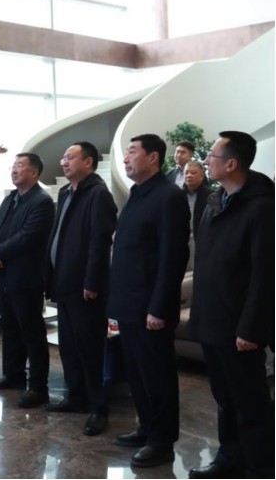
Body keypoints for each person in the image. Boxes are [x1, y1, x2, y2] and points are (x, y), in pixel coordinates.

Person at [187, 131, 275, 479]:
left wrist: (251, 328)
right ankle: (229, 458)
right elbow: (205, 265)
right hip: (213, 319)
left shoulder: (262, 207)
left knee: (250, 401)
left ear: (232, 163)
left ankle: (260, 467)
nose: (206, 160)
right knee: (224, 397)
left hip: (240, 326)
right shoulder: (215, 201)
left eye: (212, 155)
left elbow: (264, 275)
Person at [108, 134, 190, 468]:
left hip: (150, 308)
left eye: (132, 152)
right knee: (137, 374)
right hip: (129, 304)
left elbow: (173, 257)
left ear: (153, 157)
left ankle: (162, 441)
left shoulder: (169, 196)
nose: (126, 158)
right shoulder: (138, 193)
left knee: (157, 376)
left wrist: (158, 307)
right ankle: (146, 427)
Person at [46, 142, 117, 436]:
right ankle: (75, 397)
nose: (64, 162)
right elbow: (58, 236)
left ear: (88, 162)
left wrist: (92, 281)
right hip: (63, 283)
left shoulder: (98, 194)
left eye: (70, 157)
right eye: (64, 157)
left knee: (90, 349)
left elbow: (99, 243)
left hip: (84, 287)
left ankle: (99, 408)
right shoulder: (66, 192)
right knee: (69, 346)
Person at [0, 153, 55, 408]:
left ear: (34, 172)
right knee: (10, 328)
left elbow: (27, 237)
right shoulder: (10, 198)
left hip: (27, 277)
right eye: (13, 166)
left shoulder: (42, 201)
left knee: (32, 333)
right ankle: (13, 375)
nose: (14, 170)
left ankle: (38, 388)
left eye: (20, 166)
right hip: (5, 274)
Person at [182, 160, 212, 239]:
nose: (189, 175)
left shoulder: (211, 196)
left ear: (202, 176)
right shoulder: (177, 195)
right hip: (181, 238)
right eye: (186, 173)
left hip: (203, 238)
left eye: (193, 173)